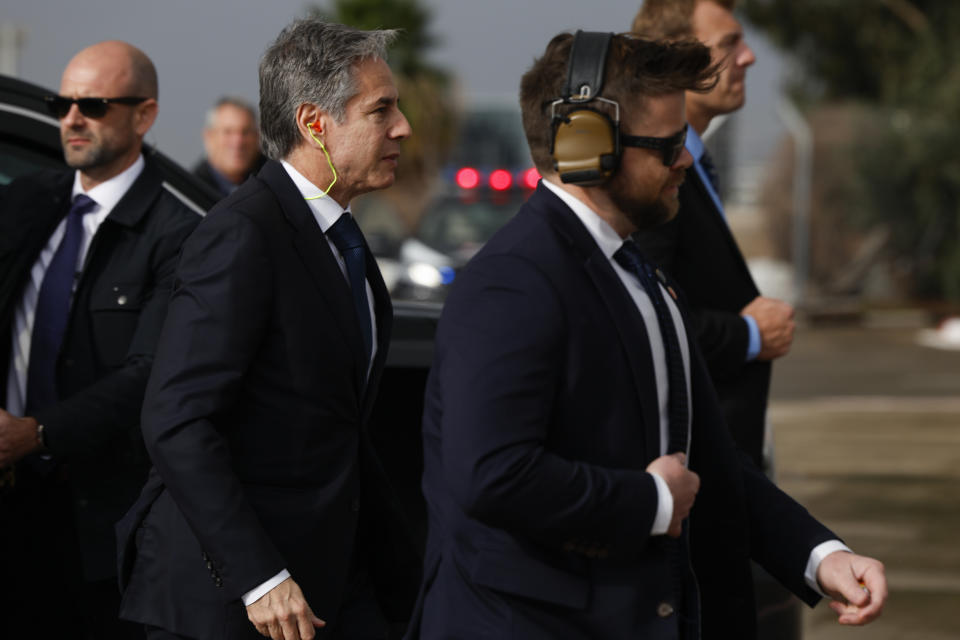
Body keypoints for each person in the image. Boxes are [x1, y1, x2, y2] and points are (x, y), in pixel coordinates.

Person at [405, 31, 886, 639]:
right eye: (668, 144)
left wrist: (821, 556)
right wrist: (650, 503)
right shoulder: (512, 283)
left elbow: (708, 463)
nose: (685, 158)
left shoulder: (638, 274)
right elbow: (493, 474)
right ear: (587, 147)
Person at [117, 19, 419, 640]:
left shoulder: (338, 235)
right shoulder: (244, 232)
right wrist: (260, 577)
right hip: (232, 603)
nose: (402, 127)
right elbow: (176, 420)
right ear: (315, 123)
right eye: (381, 109)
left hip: (327, 583)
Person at [0, 41, 201, 639]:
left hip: (98, 517)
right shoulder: (26, 203)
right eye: (62, 103)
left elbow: (149, 372)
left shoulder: (176, 233)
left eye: (92, 103)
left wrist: (35, 434)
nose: (71, 118)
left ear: (145, 115)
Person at [631, 0, 794, 469]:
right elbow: (647, 315)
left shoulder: (696, 159)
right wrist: (748, 334)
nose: (748, 57)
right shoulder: (658, 171)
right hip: (688, 472)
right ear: (672, 56)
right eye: (729, 44)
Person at [193, 96, 266, 197]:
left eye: (245, 132)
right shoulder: (191, 191)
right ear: (209, 137)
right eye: (228, 132)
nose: (238, 141)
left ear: (258, 137)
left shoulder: (277, 181)